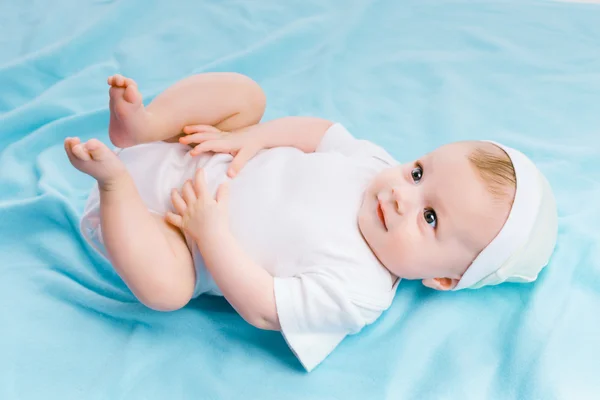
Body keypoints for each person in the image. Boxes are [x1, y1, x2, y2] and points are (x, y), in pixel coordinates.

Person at [64, 73, 558, 371]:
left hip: (167, 229)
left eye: (429, 217)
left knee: (167, 289)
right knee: (246, 95)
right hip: (198, 145)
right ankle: (145, 126)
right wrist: (252, 138)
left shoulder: (358, 290)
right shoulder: (372, 164)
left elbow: (264, 307)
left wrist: (208, 232)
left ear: (444, 278)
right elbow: (320, 132)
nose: (402, 196)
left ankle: (114, 185)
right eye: (418, 171)